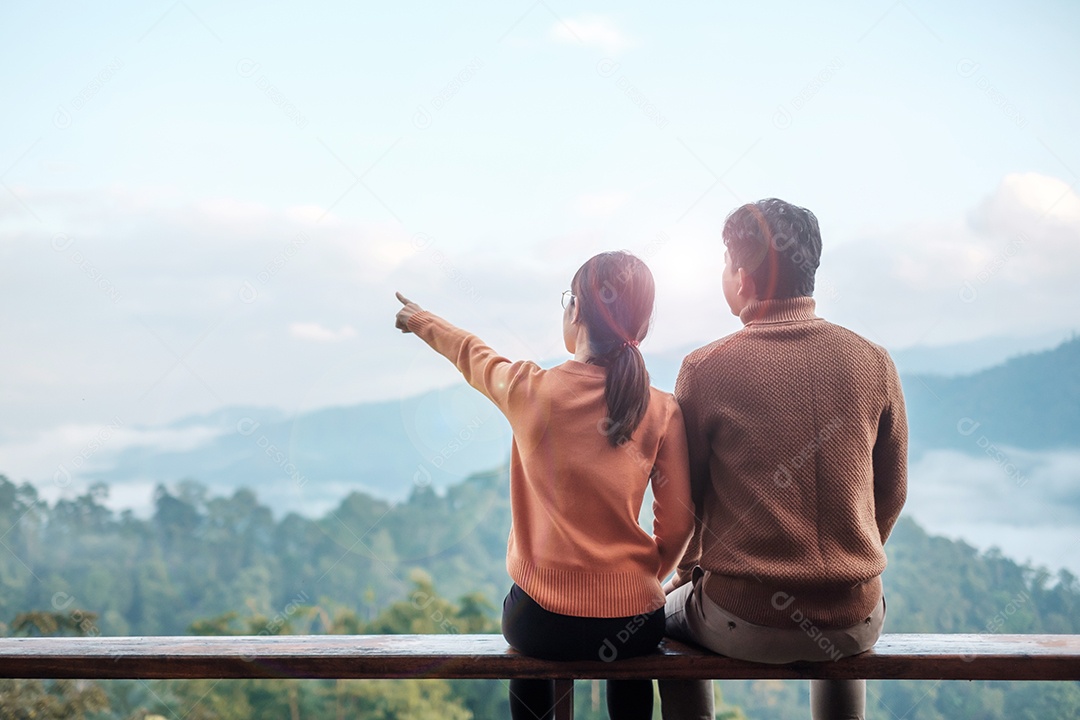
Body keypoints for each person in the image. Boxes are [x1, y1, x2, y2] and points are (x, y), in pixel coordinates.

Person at [395, 250, 694, 720]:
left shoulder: (529, 389)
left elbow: (473, 354)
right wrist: (639, 583)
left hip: (542, 623)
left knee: (529, 648)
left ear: (575, 311)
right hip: (634, 622)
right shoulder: (661, 408)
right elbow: (678, 525)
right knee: (633, 667)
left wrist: (421, 320)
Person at [658, 199, 908, 720]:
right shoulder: (873, 361)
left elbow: (687, 500)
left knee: (657, 619)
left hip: (742, 620)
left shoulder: (705, 369)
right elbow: (892, 492)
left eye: (726, 262)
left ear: (744, 278)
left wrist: (686, 575)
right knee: (840, 638)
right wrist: (845, 569)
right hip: (857, 618)